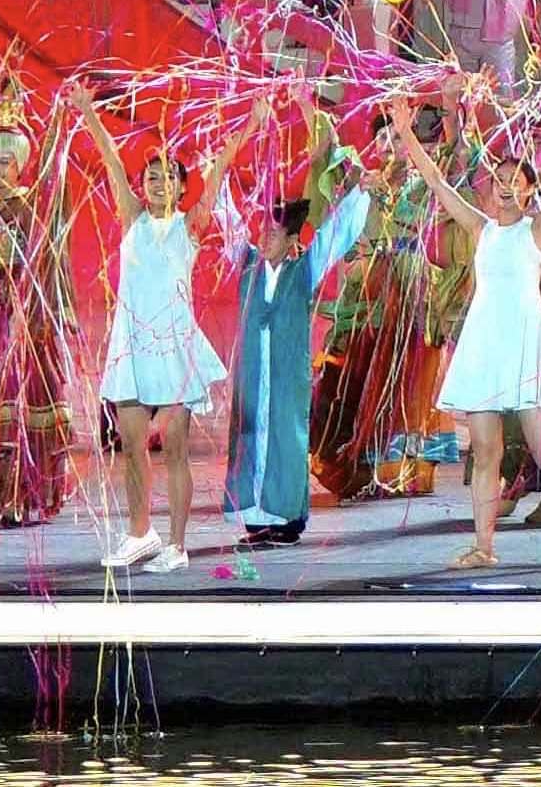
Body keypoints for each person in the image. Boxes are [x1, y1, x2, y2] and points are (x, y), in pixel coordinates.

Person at [427, 137, 541, 572]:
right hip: (484, 346)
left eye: (515, 181)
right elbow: (436, 181)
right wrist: (407, 132)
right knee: (485, 452)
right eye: (500, 179)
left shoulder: (536, 230)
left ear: (529, 189)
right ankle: (483, 547)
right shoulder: (481, 229)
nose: (505, 186)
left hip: (525, 348)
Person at [227, 143, 380, 546]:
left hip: (286, 372)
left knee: (286, 438)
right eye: (263, 231)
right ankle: (256, 517)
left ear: (292, 239)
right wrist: (220, 169)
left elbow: (334, 236)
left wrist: (358, 194)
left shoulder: (302, 270)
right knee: (251, 436)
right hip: (253, 372)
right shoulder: (248, 266)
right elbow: (226, 222)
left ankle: (288, 519)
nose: (265, 238)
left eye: (274, 233)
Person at [94, 148, 226, 571]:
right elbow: (112, 160)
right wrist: (86, 116)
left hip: (172, 351)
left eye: (167, 177)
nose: (158, 183)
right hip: (131, 349)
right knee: (133, 448)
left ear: (181, 187)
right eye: (151, 177)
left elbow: (216, 179)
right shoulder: (133, 219)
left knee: (174, 451)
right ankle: (140, 534)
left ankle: (177, 546)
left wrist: (245, 132)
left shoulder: (189, 226)